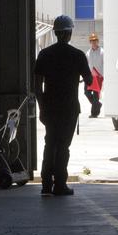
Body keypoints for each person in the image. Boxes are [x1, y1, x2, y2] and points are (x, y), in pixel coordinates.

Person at [34, 14, 92, 196]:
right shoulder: (78, 55)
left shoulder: (44, 54)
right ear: (69, 34)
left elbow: (37, 85)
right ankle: (59, 184)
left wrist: (42, 106)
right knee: (63, 147)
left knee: (50, 143)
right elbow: (89, 80)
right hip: (69, 109)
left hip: (49, 108)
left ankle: (45, 185)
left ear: (56, 32)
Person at [86, 33, 104, 118]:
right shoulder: (88, 53)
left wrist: (103, 75)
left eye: (95, 40)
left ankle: (94, 113)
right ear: (90, 42)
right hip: (89, 76)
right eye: (92, 41)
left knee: (96, 95)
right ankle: (97, 104)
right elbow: (86, 64)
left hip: (98, 77)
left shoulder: (102, 52)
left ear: (98, 41)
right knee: (87, 93)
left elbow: (104, 64)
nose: (94, 42)